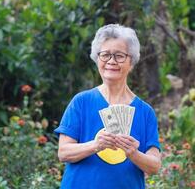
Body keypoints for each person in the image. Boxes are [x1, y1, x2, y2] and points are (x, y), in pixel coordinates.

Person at [54, 24, 161, 189]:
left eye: (119, 55)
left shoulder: (145, 112)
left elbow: (154, 166)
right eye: (105, 55)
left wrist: (134, 153)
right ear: (97, 59)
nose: (111, 61)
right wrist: (95, 145)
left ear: (131, 61)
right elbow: (63, 153)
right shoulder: (81, 102)